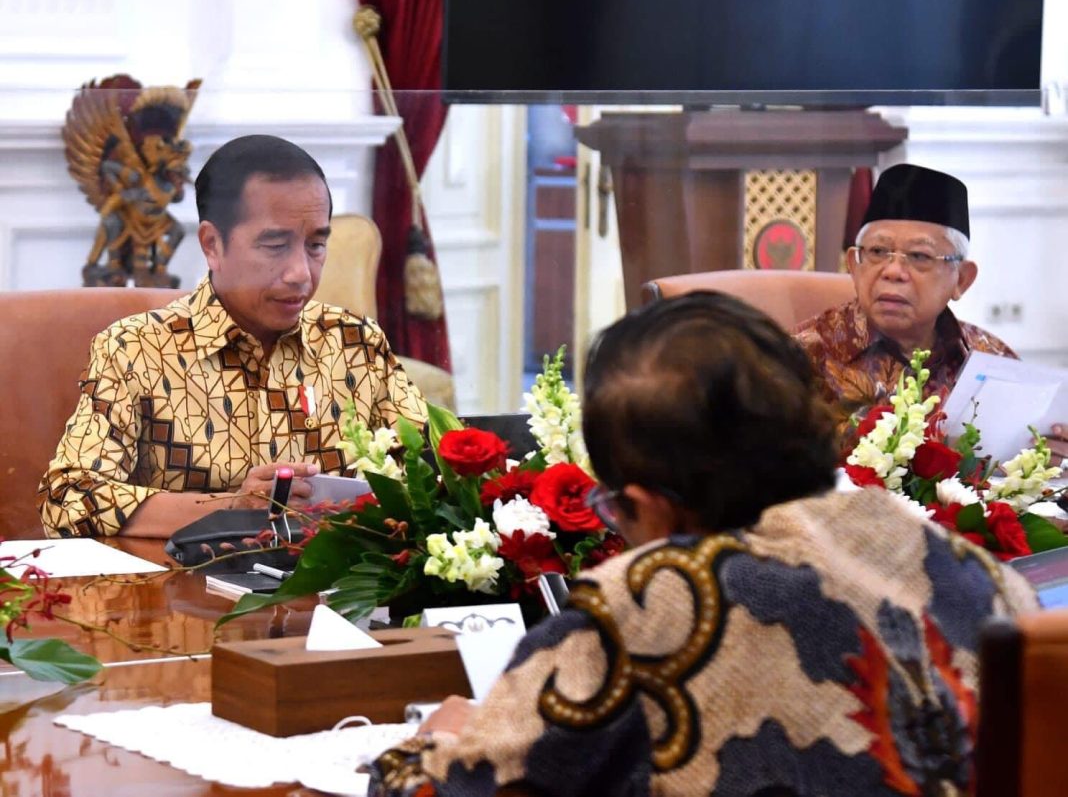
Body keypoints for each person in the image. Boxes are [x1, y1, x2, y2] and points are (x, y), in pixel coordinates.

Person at [369, 292, 1037, 797]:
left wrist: (431, 744)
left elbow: (445, 789)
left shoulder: (654, 598)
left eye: (616, 507)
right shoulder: (983, 578)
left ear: (653, 502)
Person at [38, 135, 426, 539]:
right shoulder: (136, 349)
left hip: (338, 594)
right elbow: (68, 499)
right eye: (275, 245)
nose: (300, 272)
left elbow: (432, 471)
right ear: (212, 244)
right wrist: (231, 508)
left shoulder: (355, 343)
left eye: (315, 245)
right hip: (189, 594)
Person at [795, 164, 1021, 449]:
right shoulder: (797, 359)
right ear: (854, 265)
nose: (893, 271)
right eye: (877, 252)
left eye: (919, 256)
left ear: (961, 279)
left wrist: (1045, 452)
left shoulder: (994, 363)